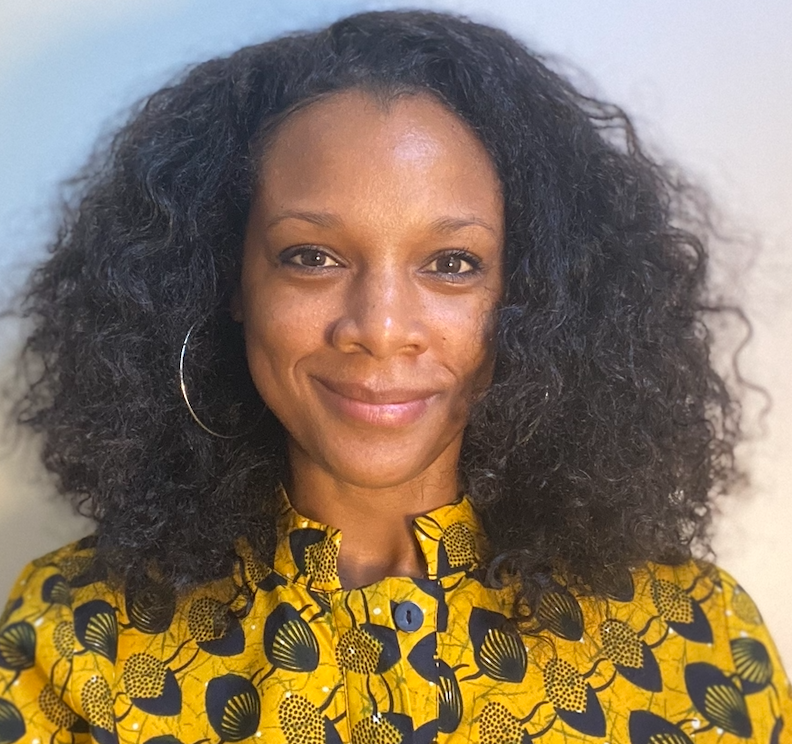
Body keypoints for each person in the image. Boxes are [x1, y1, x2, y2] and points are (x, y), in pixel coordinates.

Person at [0, 8, 789, 744]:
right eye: (311, 256)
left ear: (534, 296)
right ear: (230, 279)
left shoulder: (697, 639)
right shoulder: (76, 646)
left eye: (452, 264)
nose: (379, 329)